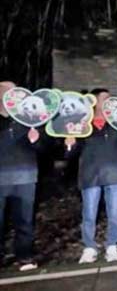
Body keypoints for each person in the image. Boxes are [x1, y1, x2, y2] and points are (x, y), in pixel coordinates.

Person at [65, 88, 117, 265]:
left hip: (115, 174)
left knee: (114, 212)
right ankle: (89, 247)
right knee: (89, 213)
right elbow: (69, 155)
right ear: (94, 102)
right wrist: (69, 145)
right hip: (90, 175)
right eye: (105, 99)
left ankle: (112, 245)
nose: (109, 102)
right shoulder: (82, 124)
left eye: (110, 98)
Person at [0, 81, 48, 272]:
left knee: (24, 220)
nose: (10, 94)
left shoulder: (30, 118)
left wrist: (36, 140)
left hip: (26, 177)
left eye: (14, 91)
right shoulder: (9, 123)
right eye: (5, 91)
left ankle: (25, 256)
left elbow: (45, 148)